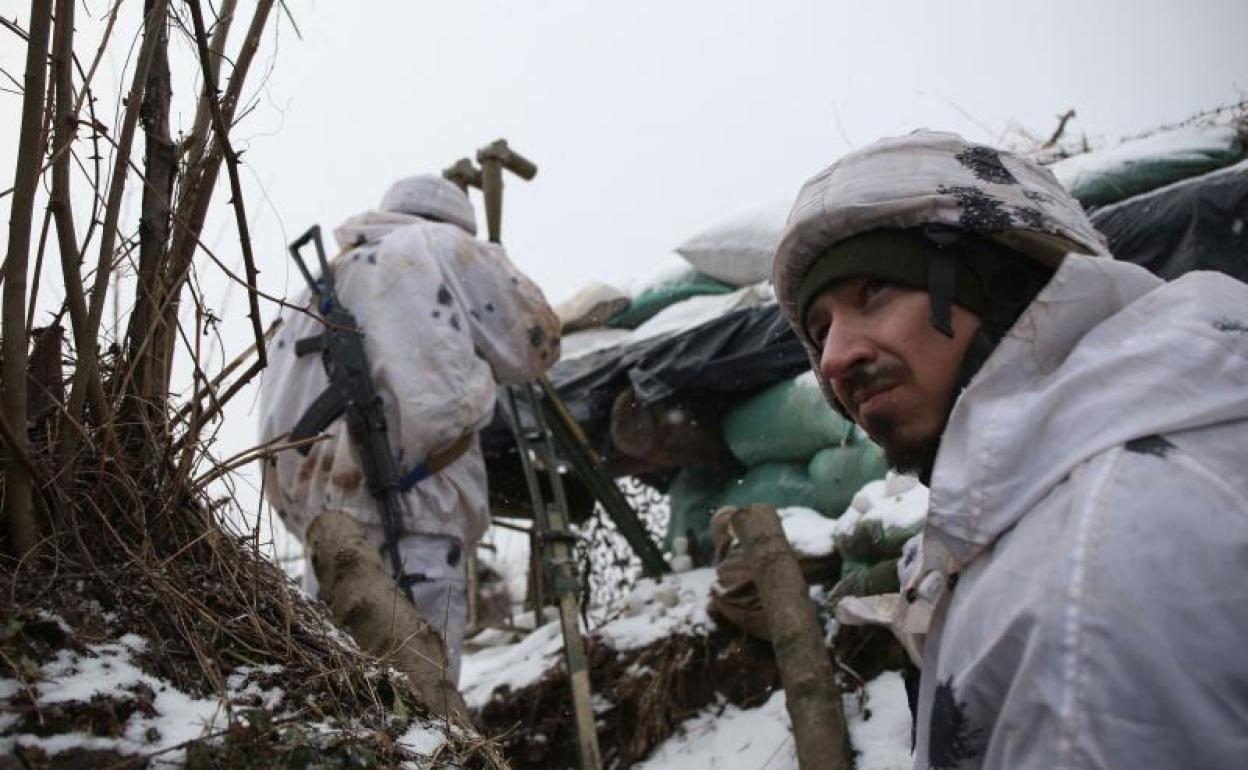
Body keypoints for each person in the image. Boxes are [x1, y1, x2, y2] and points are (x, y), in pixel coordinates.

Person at [773, 130, 1248, 768]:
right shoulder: (1062, 506)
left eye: (874, 293)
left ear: (999, 282)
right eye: (820, 329)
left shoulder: (1087, 569)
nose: (833, 359)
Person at [260, 174, 560, 683]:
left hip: (326, 532)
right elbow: (533, 344)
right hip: (419, 515)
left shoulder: (316, 286)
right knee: (424, 704)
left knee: (337, 694)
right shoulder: (444, 246)